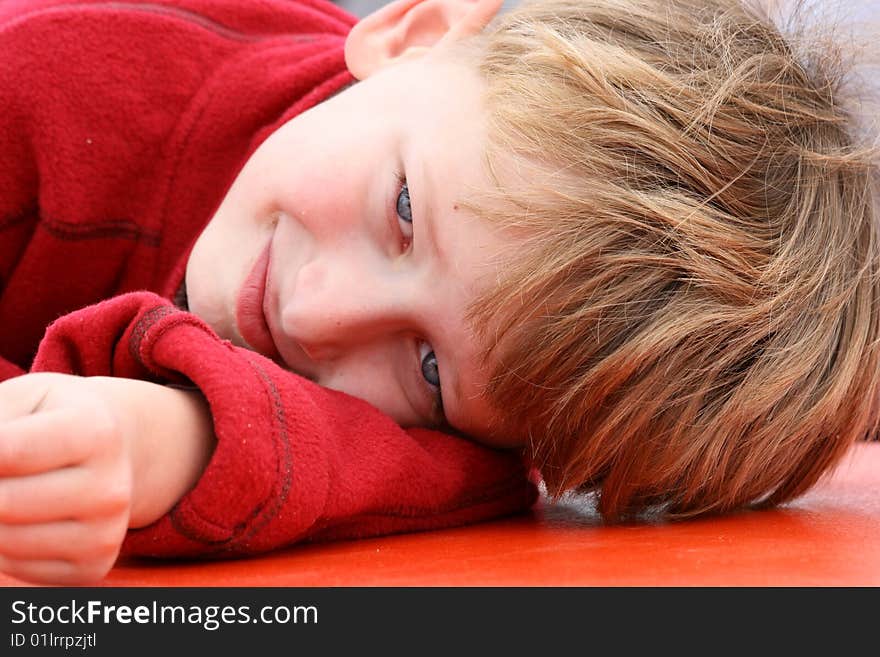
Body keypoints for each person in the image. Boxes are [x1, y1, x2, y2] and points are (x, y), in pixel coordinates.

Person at [0, 0, 877, 585]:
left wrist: (177, 439)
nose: (314, 314)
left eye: (427, 367)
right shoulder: (52, 90)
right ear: (415, 34)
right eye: (405, 210)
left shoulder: (492, 393)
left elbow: (457, 479)